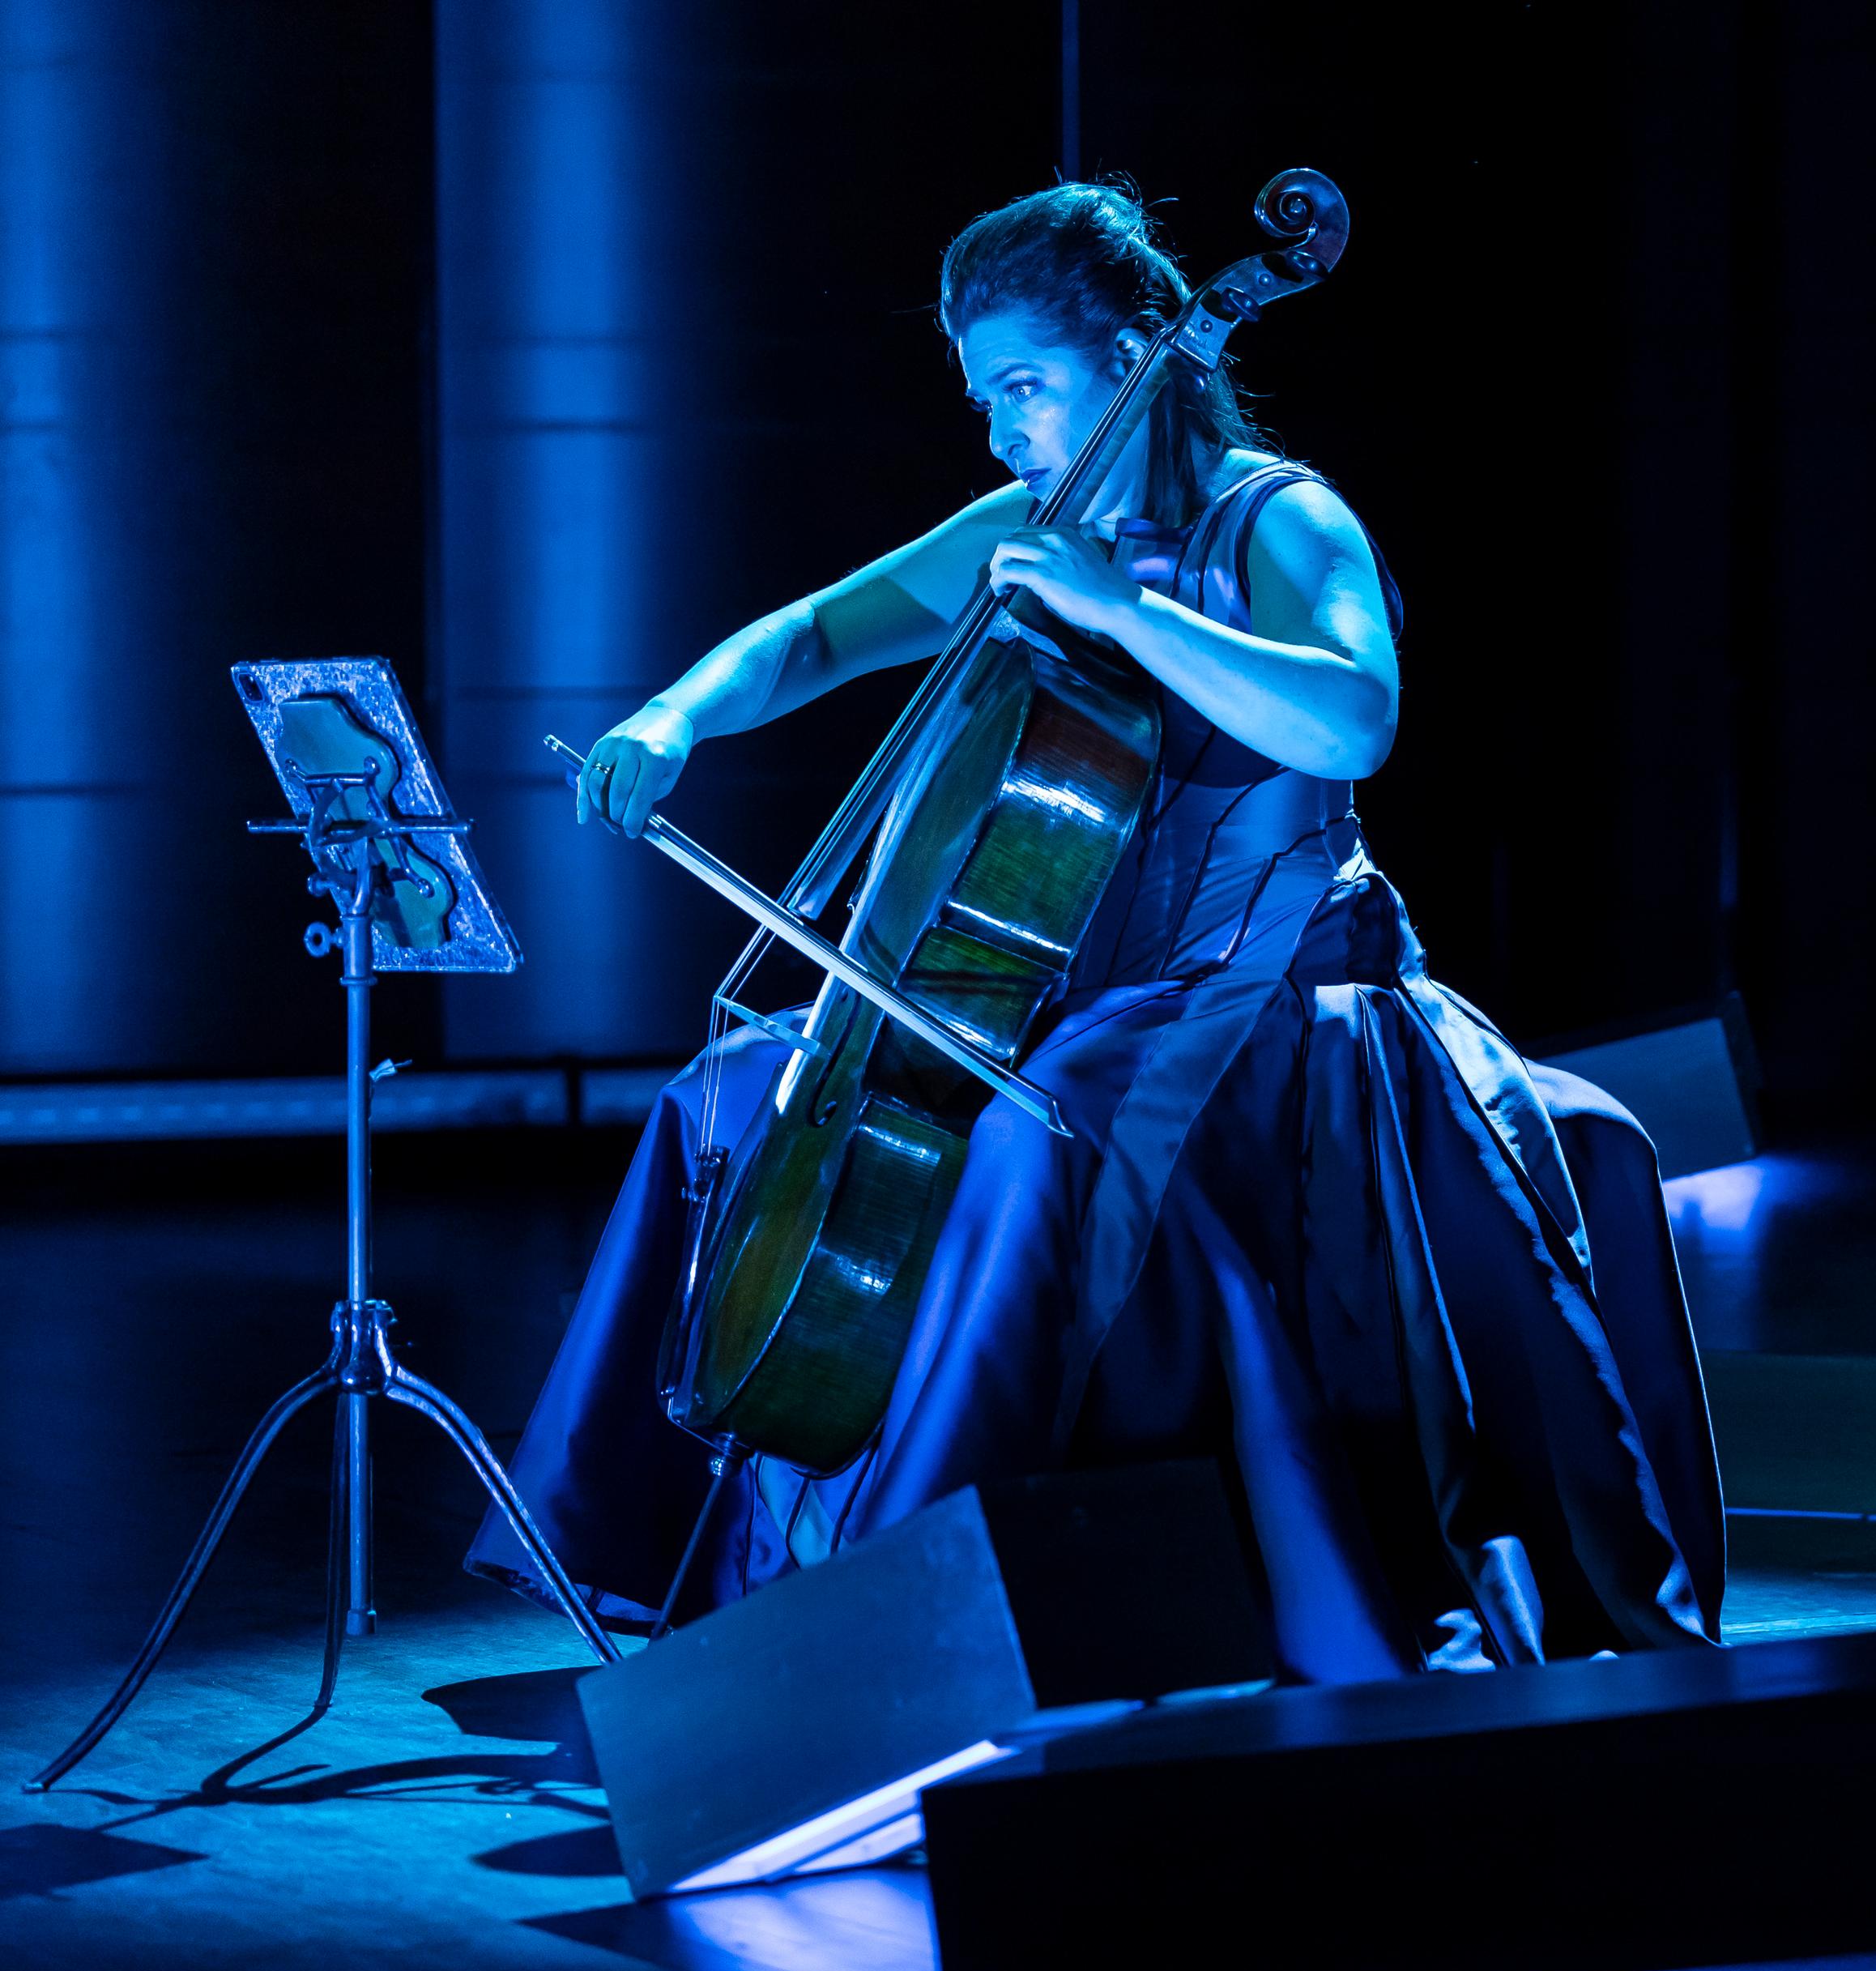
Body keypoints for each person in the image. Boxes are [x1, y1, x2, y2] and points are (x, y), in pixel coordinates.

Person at [469, 185, 1721, 1679]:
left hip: (1271, 992)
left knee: (1026, 1139)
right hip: (1080, 987)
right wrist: (677, 716)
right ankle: (647, 1542)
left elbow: (1355, 715)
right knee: (724, 1096)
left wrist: (1126, 612)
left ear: (1135, 355)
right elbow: (814, 632)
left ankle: (911, 1612)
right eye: (985, 398)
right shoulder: (1031, 524)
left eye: (1023, 389)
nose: (1002, 435)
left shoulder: (1282, 516)